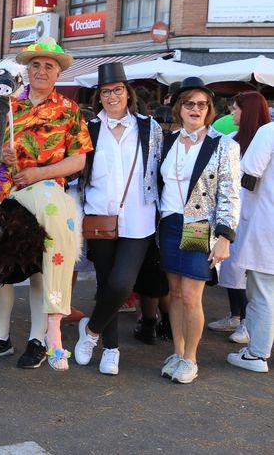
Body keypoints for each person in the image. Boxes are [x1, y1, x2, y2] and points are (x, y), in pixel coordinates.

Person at [0, 41, 92, 370]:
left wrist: (40, 172)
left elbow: (78, 160)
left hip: (45, 196)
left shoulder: (69, 109)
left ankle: (39, 340)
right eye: (36, 65)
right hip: (5, 193)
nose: (41, 71)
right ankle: (0, 337)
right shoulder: (5, 104)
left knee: (41, 270)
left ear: (59, 72)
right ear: (27, 70)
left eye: (48, 66)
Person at [73, 62, 163, 375]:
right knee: (105, 283)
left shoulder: (149, 127)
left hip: (139, 218)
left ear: (127, 93)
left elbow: (160, 169)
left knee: (123, 285)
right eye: (106, 91)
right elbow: (77, 170)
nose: (112, 96)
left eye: (117, 90)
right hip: (99, 216)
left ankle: (92, 331)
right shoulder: (90, 128)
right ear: (99, 96)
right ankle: (111, 349)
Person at [157, 76, 240, 384]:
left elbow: (231, 194)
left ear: (209, 109)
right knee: (175, 292)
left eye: (202, 104)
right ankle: (178, 352)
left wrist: (224, 236)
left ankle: (191, 358)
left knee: (192, 295)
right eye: (189, 103)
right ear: (179, 108)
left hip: (197, 225)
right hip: (168, 223)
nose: (196, 109)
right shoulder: (165, 141)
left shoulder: (223, 145)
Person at [208, 91, 270, 344]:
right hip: (234, 216)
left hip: (257, 217)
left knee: (255, 279)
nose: (232, 113)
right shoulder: (231, 139)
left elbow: (249, 175)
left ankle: (249, 326)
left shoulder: (265, 136)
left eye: (235, 109)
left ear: (249, 112)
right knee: (232, 269)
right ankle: (236, 315)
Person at [227, 120, 274, 372]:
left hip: (267, 225)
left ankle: (257, 354)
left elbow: (248, 173)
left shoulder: (269, 132)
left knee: (262, 293)